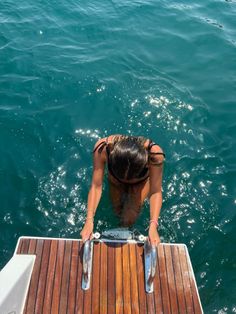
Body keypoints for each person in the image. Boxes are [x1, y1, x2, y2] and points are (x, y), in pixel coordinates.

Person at [80, 135, 165, 246]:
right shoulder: (103, 148)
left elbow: (156, 191)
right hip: (115, 180)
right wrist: (89, 220)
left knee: (128, 220)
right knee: (117, 211)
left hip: (140, 183)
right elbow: (96, 186)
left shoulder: (155, 154)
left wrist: (153, 225)